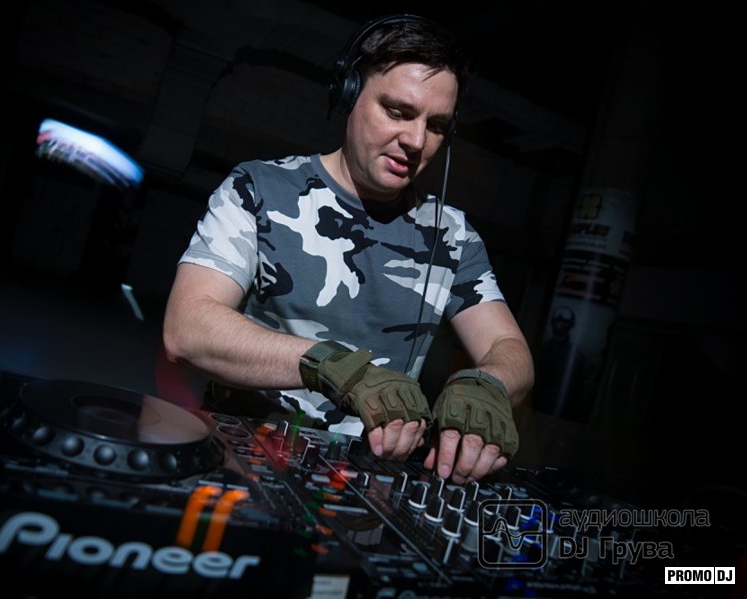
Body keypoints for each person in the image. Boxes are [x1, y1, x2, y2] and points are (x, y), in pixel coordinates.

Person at [163, 14, 534, 484]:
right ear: (349, 93)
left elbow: (508, 347)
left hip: (366, 477)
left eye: (437, 125)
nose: (416, 141)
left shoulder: (454, 236)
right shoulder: (257, 189)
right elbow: (187, 329)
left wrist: (488, 384)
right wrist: (332, 365)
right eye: (398, 112)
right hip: (244, 455)